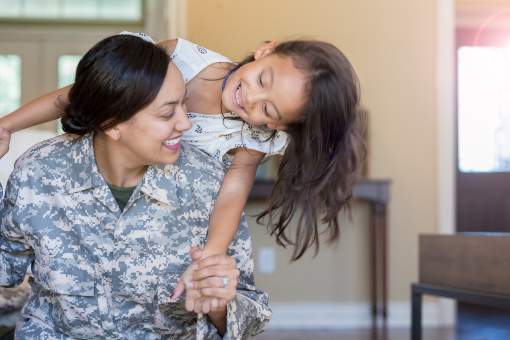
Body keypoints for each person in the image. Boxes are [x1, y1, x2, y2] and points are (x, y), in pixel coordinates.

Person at [0, 32, 365, 293]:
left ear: (275, 126)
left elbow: (233, 192)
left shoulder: (253, 138)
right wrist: (7, 125)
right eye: (262, 80)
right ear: (265, 50)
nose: (252, 98)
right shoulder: (183, 58)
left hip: (165, 207)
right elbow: (84, 95)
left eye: (268, 110)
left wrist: (210, 257)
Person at [0, 34, 270, 339]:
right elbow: (5, 269)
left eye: (184, 104)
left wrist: (219, 304)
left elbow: (251, 316)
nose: (186, 124)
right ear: (113, 122)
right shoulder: (39, 171)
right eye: (168, 113)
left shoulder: (209, 183)